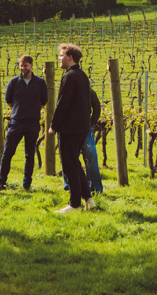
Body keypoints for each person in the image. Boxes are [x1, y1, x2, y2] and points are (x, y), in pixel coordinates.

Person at [49, 43, 96, 213]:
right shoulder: (82, 75)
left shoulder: (69, 77)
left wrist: (54, 126)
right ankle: (89, 200)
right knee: (75, 164)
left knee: (69, 166)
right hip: (82, 126)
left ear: (70, 57)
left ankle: (74, 204)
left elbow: (63, 104)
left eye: (61, 56)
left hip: (69, 128)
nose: (59, 59)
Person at [0, 54, 47, 191]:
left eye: (25, 65)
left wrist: (32, 110)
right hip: (16, 122)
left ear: (31, 65)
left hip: (33, 123)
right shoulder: (13, 82)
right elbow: (9, 100)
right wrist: (19, 111)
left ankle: (27, 184)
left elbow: (44, 101)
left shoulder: (40, 82)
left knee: (29, 154)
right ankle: (1, 182)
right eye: (21, 65)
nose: (23, 68)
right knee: (7, 153)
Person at [62, 86, 104, 194]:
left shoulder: (89, 91)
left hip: (85, 126)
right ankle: (69, 185)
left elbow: (97, 106)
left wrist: (92, 122)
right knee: (68, 156)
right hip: (68, 126)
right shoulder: (65, 90)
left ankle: (94, 187)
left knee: (91, 155)